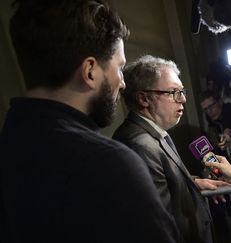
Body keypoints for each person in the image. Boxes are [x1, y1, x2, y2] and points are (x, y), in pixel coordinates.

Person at [0, 1, 179, 242]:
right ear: (90, 71)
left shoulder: (10, 146)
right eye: (120, 68)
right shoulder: (110, 164)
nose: (123, 83)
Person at [112, 55, 229, 243]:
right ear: (143, 98)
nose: (182, 99)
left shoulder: (152, 134)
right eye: (173, 92)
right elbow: (158, 225)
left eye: (182, 91)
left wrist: (190, 183)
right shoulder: (140, 145)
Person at [199, 90, 231, 161]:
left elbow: (229, 122)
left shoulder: (230, 109)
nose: (209, 111)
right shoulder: (211, 121)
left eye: (211, 106)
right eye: (205, 109)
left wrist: (227, 136)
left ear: (220, 101)